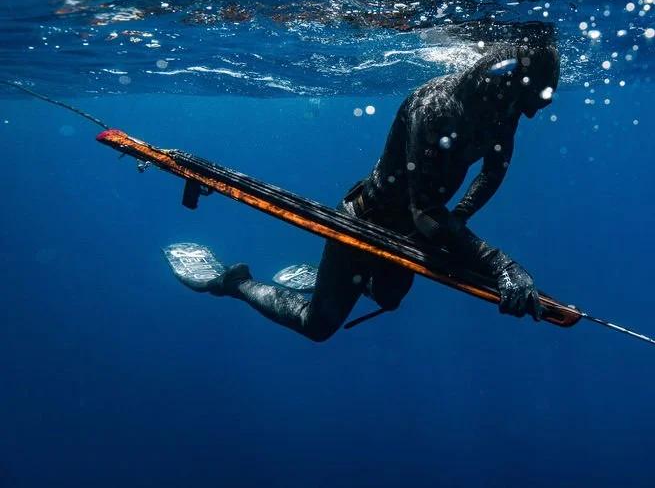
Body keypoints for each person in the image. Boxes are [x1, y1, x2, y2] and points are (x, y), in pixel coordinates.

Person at [198, 29, 560, 342]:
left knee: (389, 298)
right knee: (318, 326)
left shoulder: (503, 108)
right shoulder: (438, 108)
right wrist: (498, 263)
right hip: (364, 220)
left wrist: (461, 217)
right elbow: (427, 215)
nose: (529, 114)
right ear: (505, 83)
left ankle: (346, 282)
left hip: (410, 231)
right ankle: (236, 282)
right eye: (530, 102)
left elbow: (493, 172)